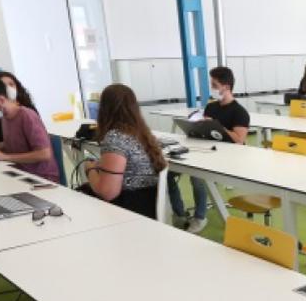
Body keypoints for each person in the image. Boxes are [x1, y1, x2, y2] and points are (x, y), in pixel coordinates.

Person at [168, 66, 250, 232]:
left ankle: (200, 217)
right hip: (206, 151)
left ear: (226, 86)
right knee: (168, 173)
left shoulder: (240, 112)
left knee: (197, 177)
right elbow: (204, 132)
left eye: (214, 84)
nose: (211, 88)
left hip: (227, 157)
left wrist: (218, 127)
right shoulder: (211, 107)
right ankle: (179, 213)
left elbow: (239, 141)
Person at [78, 83, 165, 218]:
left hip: (128, 211)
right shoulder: (143, 134)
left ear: (104, 109)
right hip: (148, 206)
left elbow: (107, 192)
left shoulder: (115, 138)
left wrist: (90, 169)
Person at [0, 74, 59, 183]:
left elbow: (44, 154)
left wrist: (4, 156)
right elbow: (18, 142)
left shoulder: (26, 115)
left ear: (0, 100)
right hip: (20, 173)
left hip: (41, 179)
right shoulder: (5, 117)